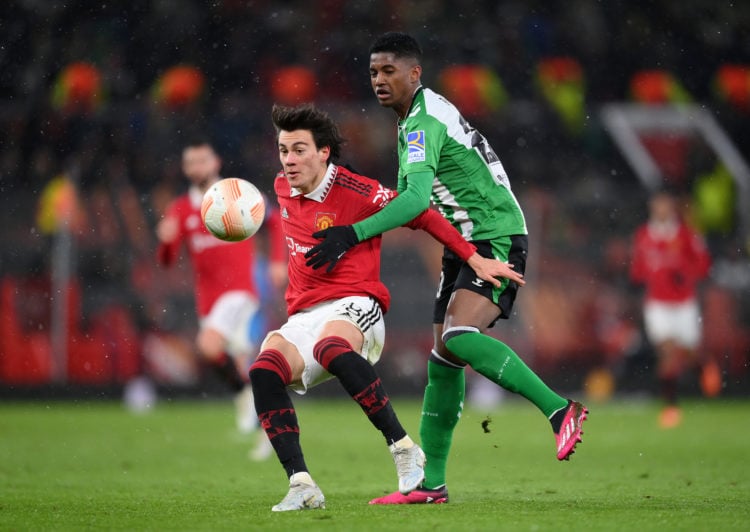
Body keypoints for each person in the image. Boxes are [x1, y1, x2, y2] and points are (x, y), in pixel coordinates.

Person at [305, 32, 588, 505]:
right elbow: (415, 206)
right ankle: (430, 486)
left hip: (492, 234)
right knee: (443, 359)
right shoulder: (416, 118)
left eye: (389, 70)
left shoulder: (420, 123)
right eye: (373, 72)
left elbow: (415, 201)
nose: (378, 80)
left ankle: (560, 411)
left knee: (458, 337)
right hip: (464, 242)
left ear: (414, 73)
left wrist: (350, 234)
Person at [251, 103, 519, 511]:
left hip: (358, 303)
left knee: (331, 347)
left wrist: (473, 257)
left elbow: (424, 214)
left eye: (299, 150)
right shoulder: (281, 187)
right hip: (305, 315)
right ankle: (301, 484)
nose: (289, 160)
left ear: (324, 152)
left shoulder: (357, 191)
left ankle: (403, 447)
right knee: (263, 371)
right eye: (284, 150)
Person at [156, 140, 286, 448]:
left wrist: (278, 262)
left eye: (202, 160)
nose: (197, 167)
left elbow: (275, 220)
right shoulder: (180, 208)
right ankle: (266, 423)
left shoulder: (236, 193)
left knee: (209, 345)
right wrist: (165, 241)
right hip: (209, 298)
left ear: (215, 163)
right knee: (237, 360)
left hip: (241, 290)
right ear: (185, 169)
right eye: (191, 162)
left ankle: (247, 399)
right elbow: (166, 260)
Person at [629, 191, 716, 428]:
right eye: (657, 204)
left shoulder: (687, 234)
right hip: (657, 304)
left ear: (673, 206)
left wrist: (685, 273)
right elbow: (637, 270)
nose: (661, 208)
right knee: (667, 352)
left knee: (688, 354)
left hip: (684, 304)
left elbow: (703, 264)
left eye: (665, 204)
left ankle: (704, 366)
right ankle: (671, 406)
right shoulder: (644, 235)